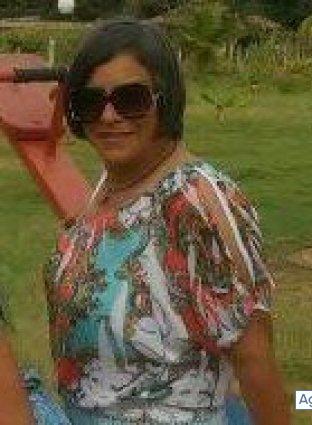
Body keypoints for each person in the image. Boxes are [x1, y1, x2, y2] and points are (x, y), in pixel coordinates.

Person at [43, 19, 290, 424]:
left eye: (131, 99)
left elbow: (253, 357)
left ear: (166, 100)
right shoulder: (108, 187)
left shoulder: (195, 200)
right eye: (90, 102)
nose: (109, 115)